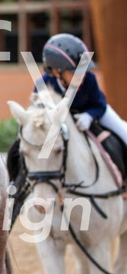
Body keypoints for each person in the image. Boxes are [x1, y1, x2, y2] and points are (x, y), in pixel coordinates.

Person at [7, 33, 127, 218]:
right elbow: (39, 114)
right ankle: (15, 185)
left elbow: (99, 105)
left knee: (124, 134)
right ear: (57, 72)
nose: (82, 75)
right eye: (75, 71)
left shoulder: (89, 80)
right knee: (18, 146)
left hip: (92, 112)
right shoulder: (43, 84)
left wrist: (88, 116)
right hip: (59, 121)